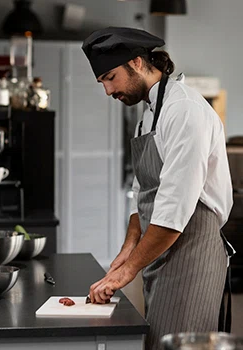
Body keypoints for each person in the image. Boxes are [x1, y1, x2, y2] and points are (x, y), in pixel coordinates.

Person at [81, 27, 234, 350]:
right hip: (161, 251)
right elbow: (145, 191)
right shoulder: (149, 113)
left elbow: (174, 210)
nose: (108, 91)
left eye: (110, 77)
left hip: (191, 251)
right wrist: (129, 248)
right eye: (103, 82)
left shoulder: (184, 111)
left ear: (137, 63)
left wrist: (128, 272)